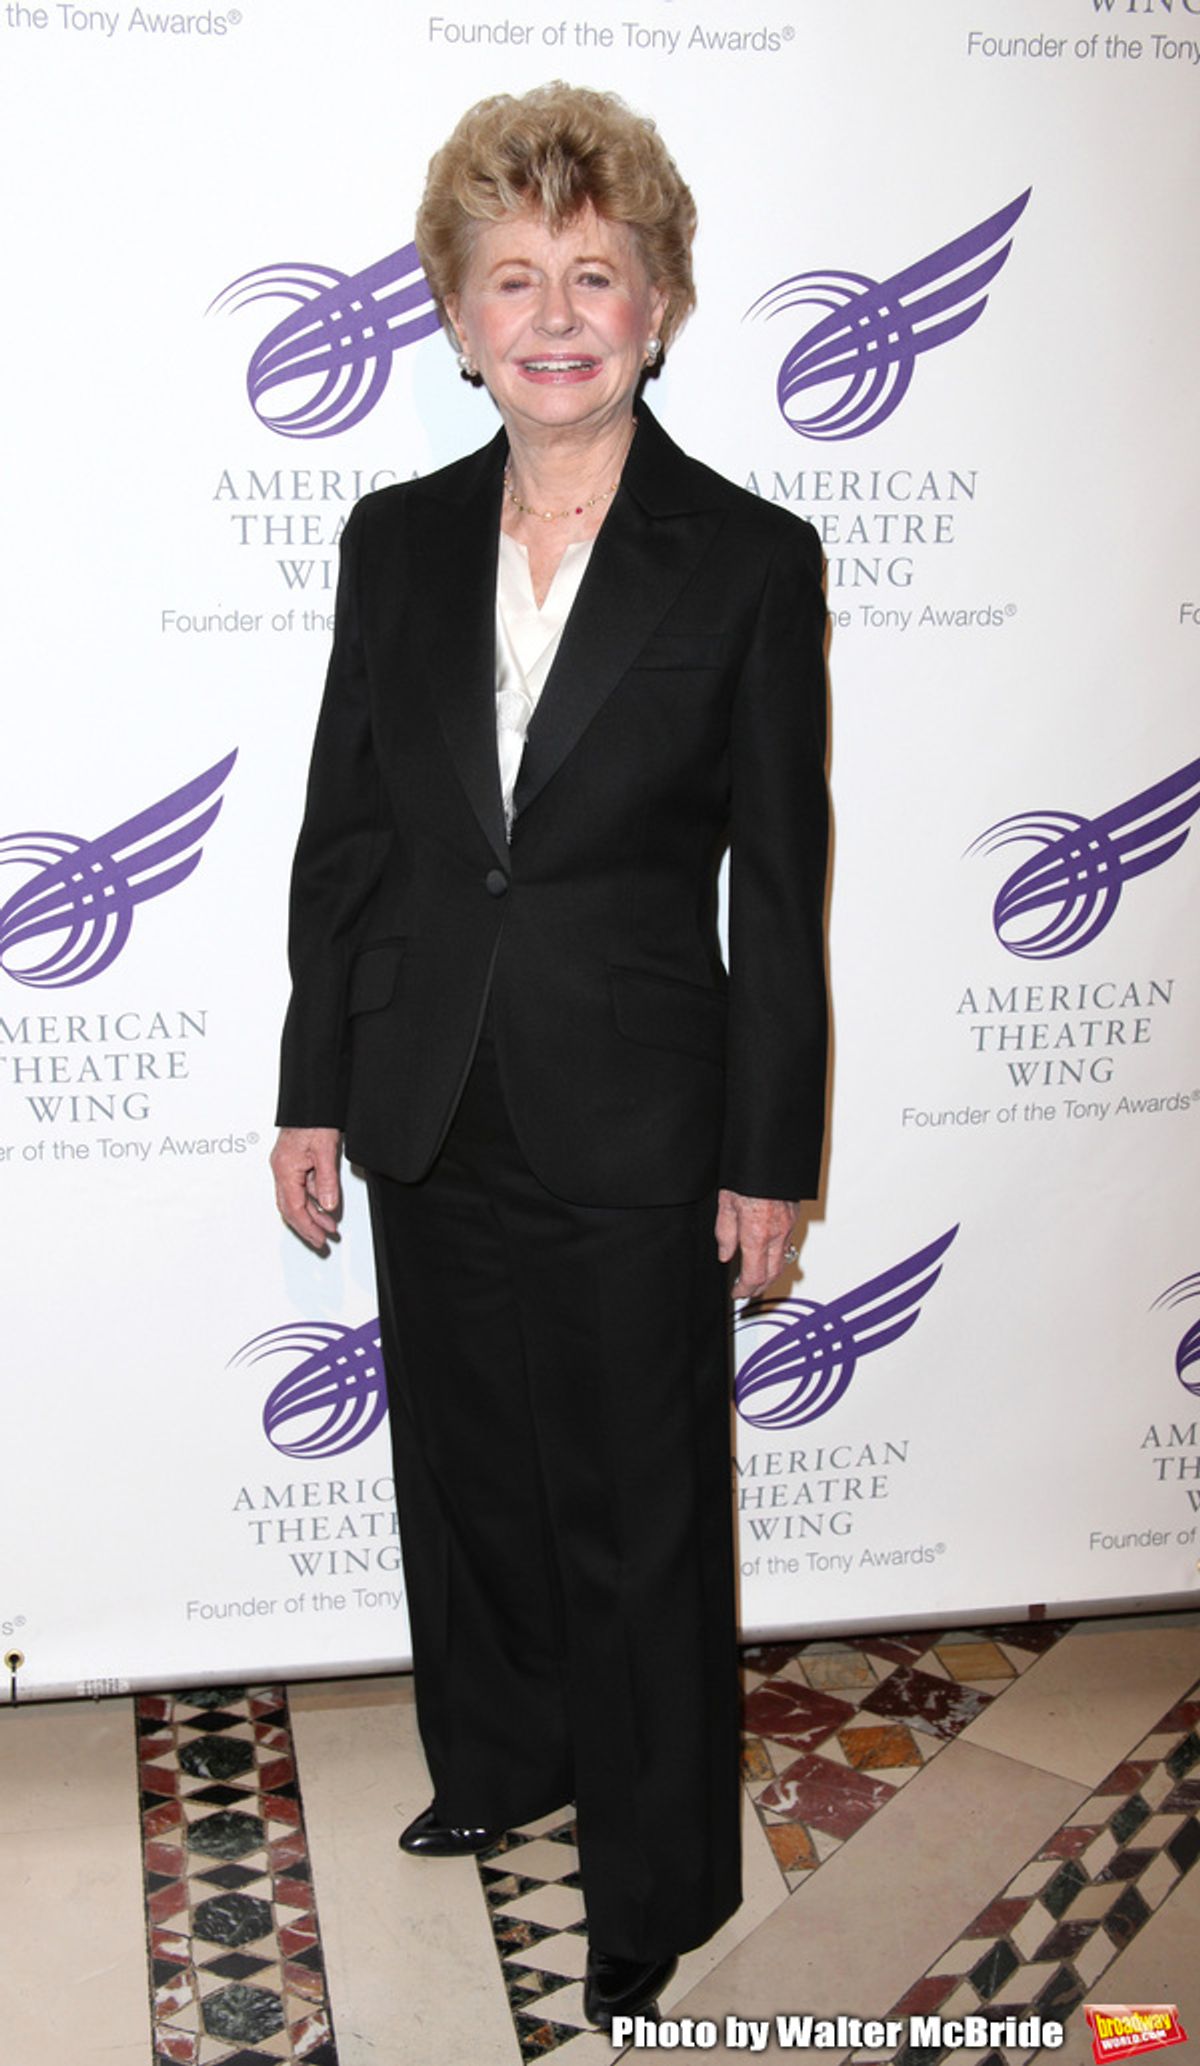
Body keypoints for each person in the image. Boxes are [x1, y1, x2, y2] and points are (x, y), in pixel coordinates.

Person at [270, 82, 828, 2030]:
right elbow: (347, 836)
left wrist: (771, 1150)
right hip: (431, 1089)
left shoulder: (747, 561)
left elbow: (786, 890)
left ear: (659, 302)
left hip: (642, 1111)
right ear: (456, 312)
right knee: (474, 1471)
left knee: (641, 1504)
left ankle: (659, 1869)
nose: (557, 308)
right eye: (514, 275)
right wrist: (314, 1081)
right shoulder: (395, 539)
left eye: (596, 270)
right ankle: (502, 1760)